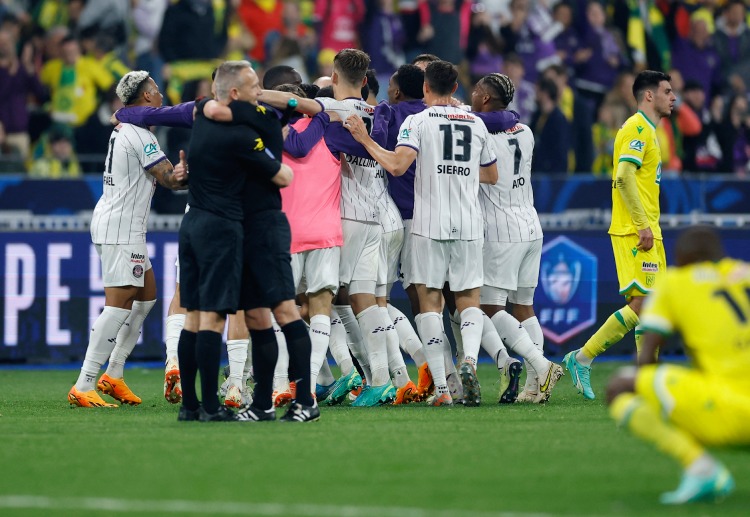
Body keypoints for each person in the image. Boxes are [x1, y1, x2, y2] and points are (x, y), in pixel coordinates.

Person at [345, 60, 498, 407]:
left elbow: (398, 166)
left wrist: (364, 139)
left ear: (426, 87)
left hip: (429, 223)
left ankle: (443, 390)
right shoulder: (475, 122)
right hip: (470, 223)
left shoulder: (417, 121)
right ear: (456, 89)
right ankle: (470, 361)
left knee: (429, 302)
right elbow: (491, 176)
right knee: (468, 299)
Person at [176, 61, 293, 422]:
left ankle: (190, 405)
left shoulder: (201, 121)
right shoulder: (240, 136)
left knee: (192, 318)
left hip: (191, 222)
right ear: (236, 94)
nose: (259, 92)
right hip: (221, 229)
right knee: (212, 319)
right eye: (254, 86)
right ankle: (211, 407)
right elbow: (281, 175)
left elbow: (204, 106)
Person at [67, 71, 187, 408]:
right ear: (146, 96)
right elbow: (168, 179)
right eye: (156, 89)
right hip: (121, 228)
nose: (161, 93)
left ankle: (114, 373)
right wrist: (191, 174)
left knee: (146, 297)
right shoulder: (139, 135)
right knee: (118, 303)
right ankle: (85, 381)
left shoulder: (128, 130)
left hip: (122, 224)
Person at [606, 226, 750, 504]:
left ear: (684, 258)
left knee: (621, 387)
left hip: (729, 413)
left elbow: (647, 357)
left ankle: (700, 466)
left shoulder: (676, 282)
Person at [564, 70, 676, 400]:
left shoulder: (649, 131)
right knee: (644, 304)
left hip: (648, 229)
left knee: (650, 306)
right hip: (634, 230)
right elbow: (623, 177)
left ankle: (643, 380)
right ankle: (583, 358)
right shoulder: (636, 128)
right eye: (667, 91)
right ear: (649, 96)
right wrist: (641, 224)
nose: (673, 97)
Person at [472, 73, 563, 404]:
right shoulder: (525, 132)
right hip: (530, 224)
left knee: (489, 306)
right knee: (525, 307)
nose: (470, 94)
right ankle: (535, 387)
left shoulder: (479, 132)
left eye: (476, 90)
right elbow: (503, 120)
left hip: (500, 229)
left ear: (485, 99)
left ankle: (541, 364)